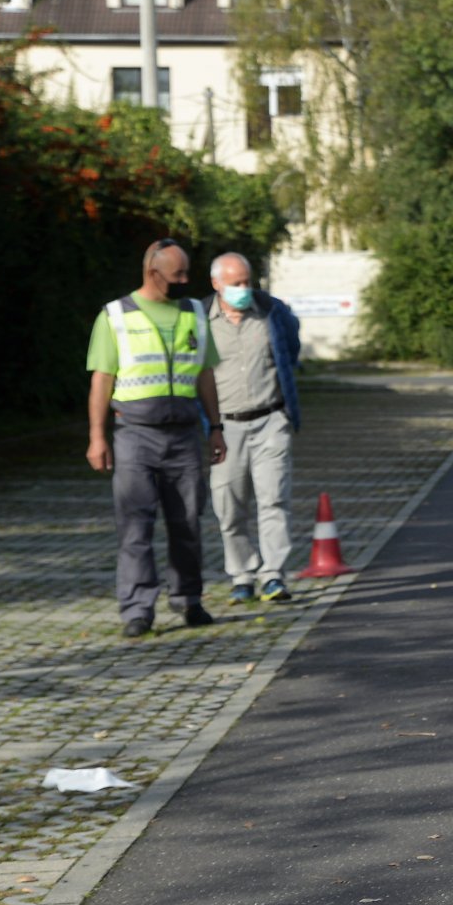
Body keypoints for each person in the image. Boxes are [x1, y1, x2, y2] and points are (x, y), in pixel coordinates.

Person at [86, 239, 228, 637]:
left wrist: (215, 428)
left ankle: (189, 600)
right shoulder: (115, 316)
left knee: (187, 522)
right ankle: (137, 610)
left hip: (183, 436)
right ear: (153, 273)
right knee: (135, 526)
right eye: (177, 275)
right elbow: (102, 379)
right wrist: (97, 437)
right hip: (134, 437)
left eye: (186, 273)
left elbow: (205, 374)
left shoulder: (195, 313)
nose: (185, 280)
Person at [206, 252, 303, 603]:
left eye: (247, 282)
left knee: (274, 498)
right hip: (225, 427)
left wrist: (286, 411)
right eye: (236, 284)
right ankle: (241, 574)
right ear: (217, 284)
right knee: (229, 505)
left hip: (270, 421)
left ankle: (273, 575)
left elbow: (290, 352)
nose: (244, 290)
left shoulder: (270, 313)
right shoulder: (202, 321)